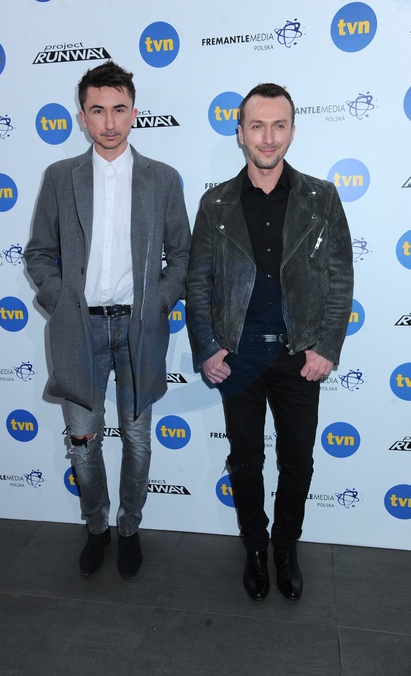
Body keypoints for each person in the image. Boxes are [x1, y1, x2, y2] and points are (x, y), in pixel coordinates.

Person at [186, 83, 353, 602]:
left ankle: (286, 549)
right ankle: (255, 550)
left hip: (299, 354)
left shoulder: (321, 198)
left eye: (279, 125)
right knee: (245, 461)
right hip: (238, 354)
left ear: (292, 131)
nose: (268, 137)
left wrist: (326, 348)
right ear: (240, 133)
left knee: (297, 462)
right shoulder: (215, 202)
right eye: (257, 126)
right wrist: (207, 346)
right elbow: (198, 283)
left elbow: (340, 280)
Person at [24, 61, 190, 580]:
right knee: (82, 439)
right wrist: (63, 301)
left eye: (119, 109)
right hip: (80, 328)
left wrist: (158, 302)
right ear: (83, 117)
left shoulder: (163, 179)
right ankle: (96, 526)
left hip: (140, 329)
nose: (110, 122)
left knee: (137, 439)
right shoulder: (60, 177)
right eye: (98, 110)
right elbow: (38, 253)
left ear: (134, 113)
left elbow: (182, 256)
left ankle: (130, 528)